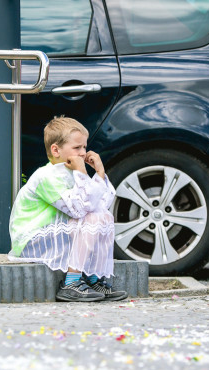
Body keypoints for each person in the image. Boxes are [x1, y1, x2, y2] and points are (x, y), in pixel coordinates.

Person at [8, 116, 127, 302]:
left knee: (102, 216)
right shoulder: (46, 176)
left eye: (84, 147)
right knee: (92, 219)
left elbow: (101, 204)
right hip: (31, 239)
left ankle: (90, 276)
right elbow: (78, 210)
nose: (83, 153)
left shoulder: (72, 172)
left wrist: (100, 173)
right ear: (56, 150)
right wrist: (82, 172)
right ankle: (71, 283)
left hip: (58, 234)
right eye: (77, 148)